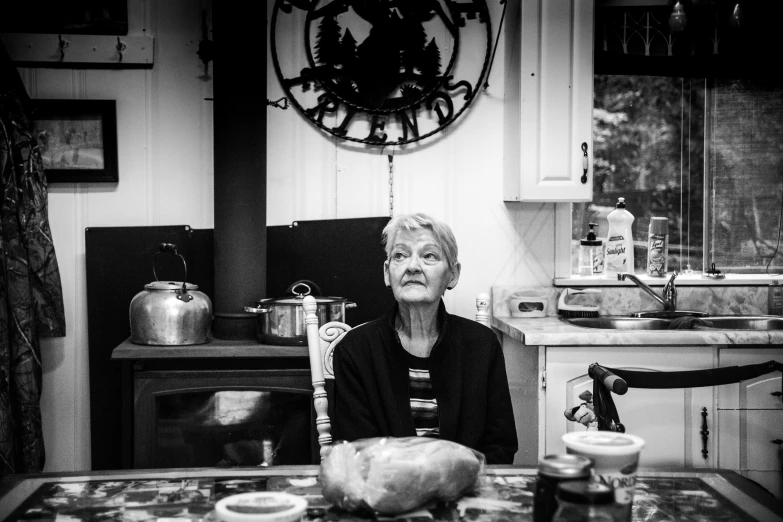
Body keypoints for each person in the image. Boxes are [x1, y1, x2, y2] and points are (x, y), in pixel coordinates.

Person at [331, 213, 518, 464]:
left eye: (429, 255)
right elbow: (357, 453)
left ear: (452, 275)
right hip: (388, 493)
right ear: (388, 273)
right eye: (400, 255)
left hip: (465, 490)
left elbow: (500, 446)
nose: (412, 266)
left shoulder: (482, 346)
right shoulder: (355, 350)